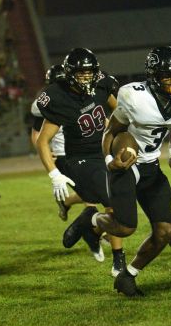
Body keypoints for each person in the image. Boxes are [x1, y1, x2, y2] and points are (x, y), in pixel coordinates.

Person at [64, 46, 171, 296]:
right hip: (125, 163)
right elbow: (111, 132)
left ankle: (128, 275)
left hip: (151, 166)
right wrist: (109, 160)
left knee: (165, 231)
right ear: (153, 76)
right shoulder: (134, 96)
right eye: (166, 76)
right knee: (125, 227)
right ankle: (90, 220)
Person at [36, 49, 126, 275]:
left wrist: (122, 136)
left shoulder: (101, 85)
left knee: (123, 202)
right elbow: (42, 141)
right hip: (80, 158)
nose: (86, 77)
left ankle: (90, 226)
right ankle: (119, 259)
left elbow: (119, 112)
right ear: (69, 74)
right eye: (81, 73)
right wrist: (54, 174)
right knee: (113, 203)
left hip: (104, 151)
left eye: (89, 72)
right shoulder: (59, 97)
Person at [30, 64, 83, 221]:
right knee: (90, 197)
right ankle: (95, 229)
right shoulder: (45, 103)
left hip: (84, 151)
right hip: (63, 155)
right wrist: (45, 153)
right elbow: (36, 133)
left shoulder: (79, 95)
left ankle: (66, 202)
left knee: (95, 192)